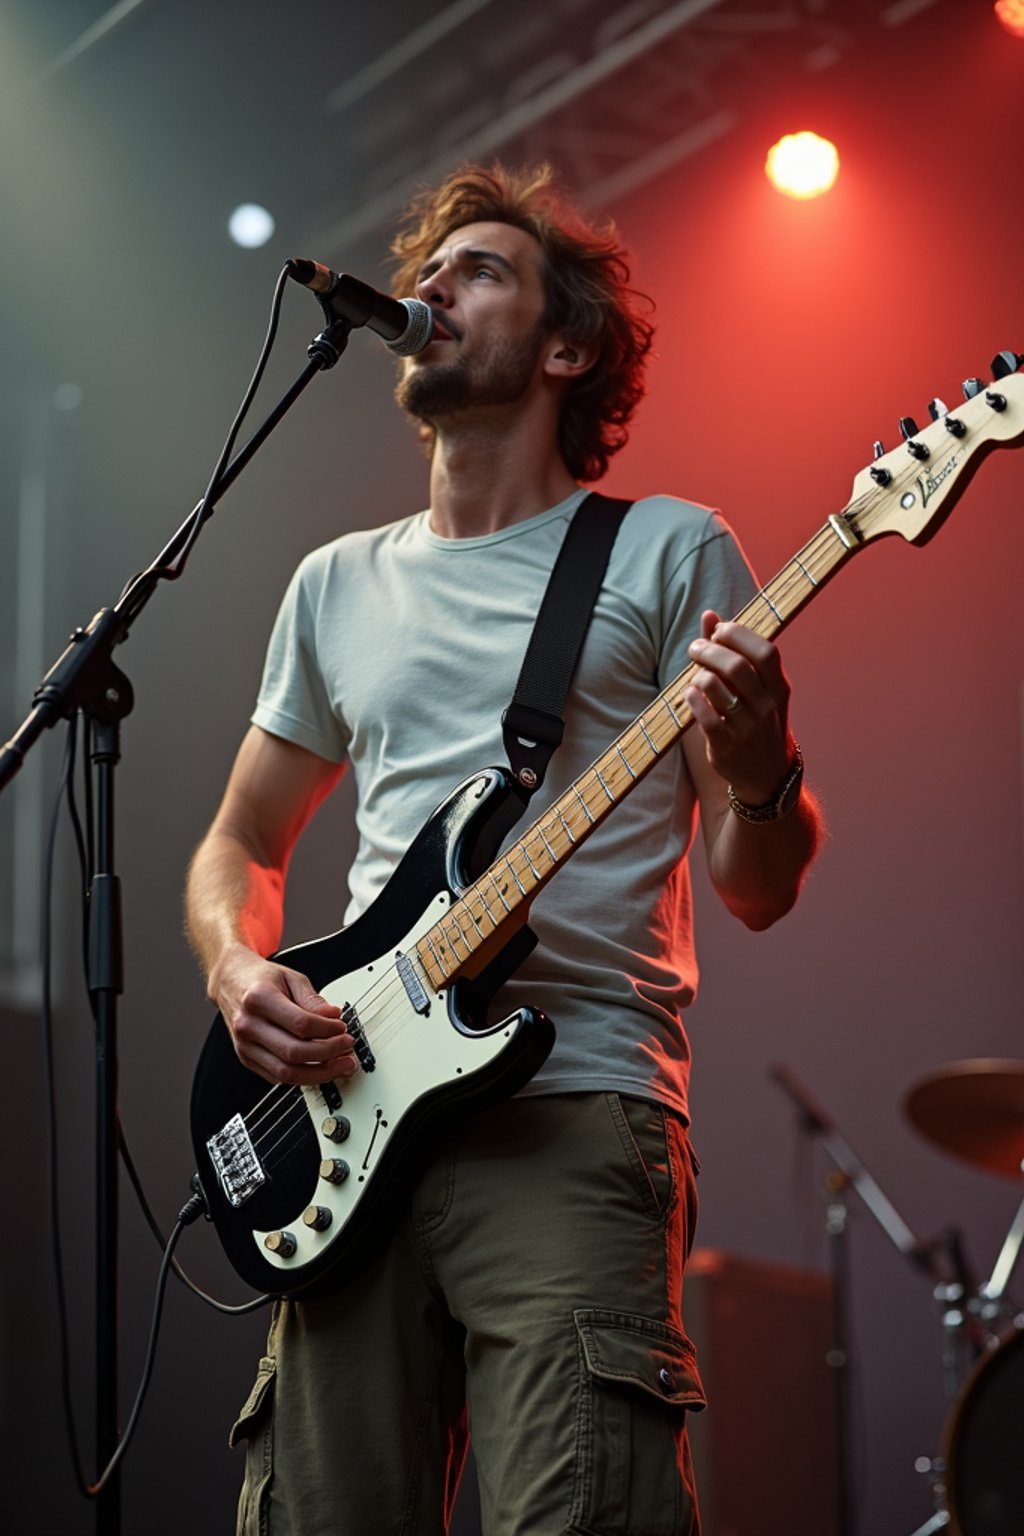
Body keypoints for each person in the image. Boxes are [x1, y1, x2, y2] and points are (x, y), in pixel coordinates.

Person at [185, 162, 822, 1536]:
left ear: (566, 346)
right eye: (431, 269)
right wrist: (240, 974)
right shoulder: (335, 583)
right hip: (352, 1118)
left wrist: (761, 763)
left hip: (573, 1110)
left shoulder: (667, 551)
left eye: (480, 270)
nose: (434, 288)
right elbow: (240, 838)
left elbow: (755, 886)